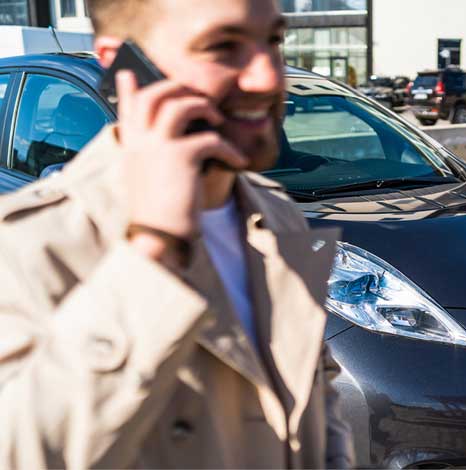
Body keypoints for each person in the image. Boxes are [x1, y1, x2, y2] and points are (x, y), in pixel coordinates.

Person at [0, 0, 354, 468]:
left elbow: (317, 393)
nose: (269, 78)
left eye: (272, 41)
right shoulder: (28, 246)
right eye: (223, 47)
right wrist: (153, 247)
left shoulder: (275, 213)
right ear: (124, 65)